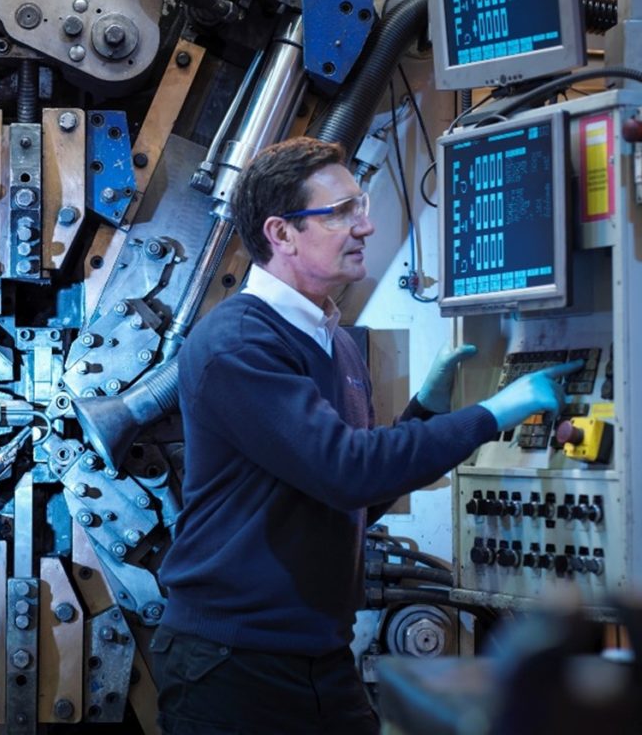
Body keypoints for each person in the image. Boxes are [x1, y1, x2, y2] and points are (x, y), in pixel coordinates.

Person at [150, 136, 581, 735]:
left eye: (361, 206)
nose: (365, 226)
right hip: (231, 662)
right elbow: (348, 469)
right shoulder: (239, 343)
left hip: (317, 654)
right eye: (342, 212)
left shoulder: (333, 341)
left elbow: (355, 496)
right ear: (282, 234)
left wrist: (425, 414)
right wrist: (494, 413)